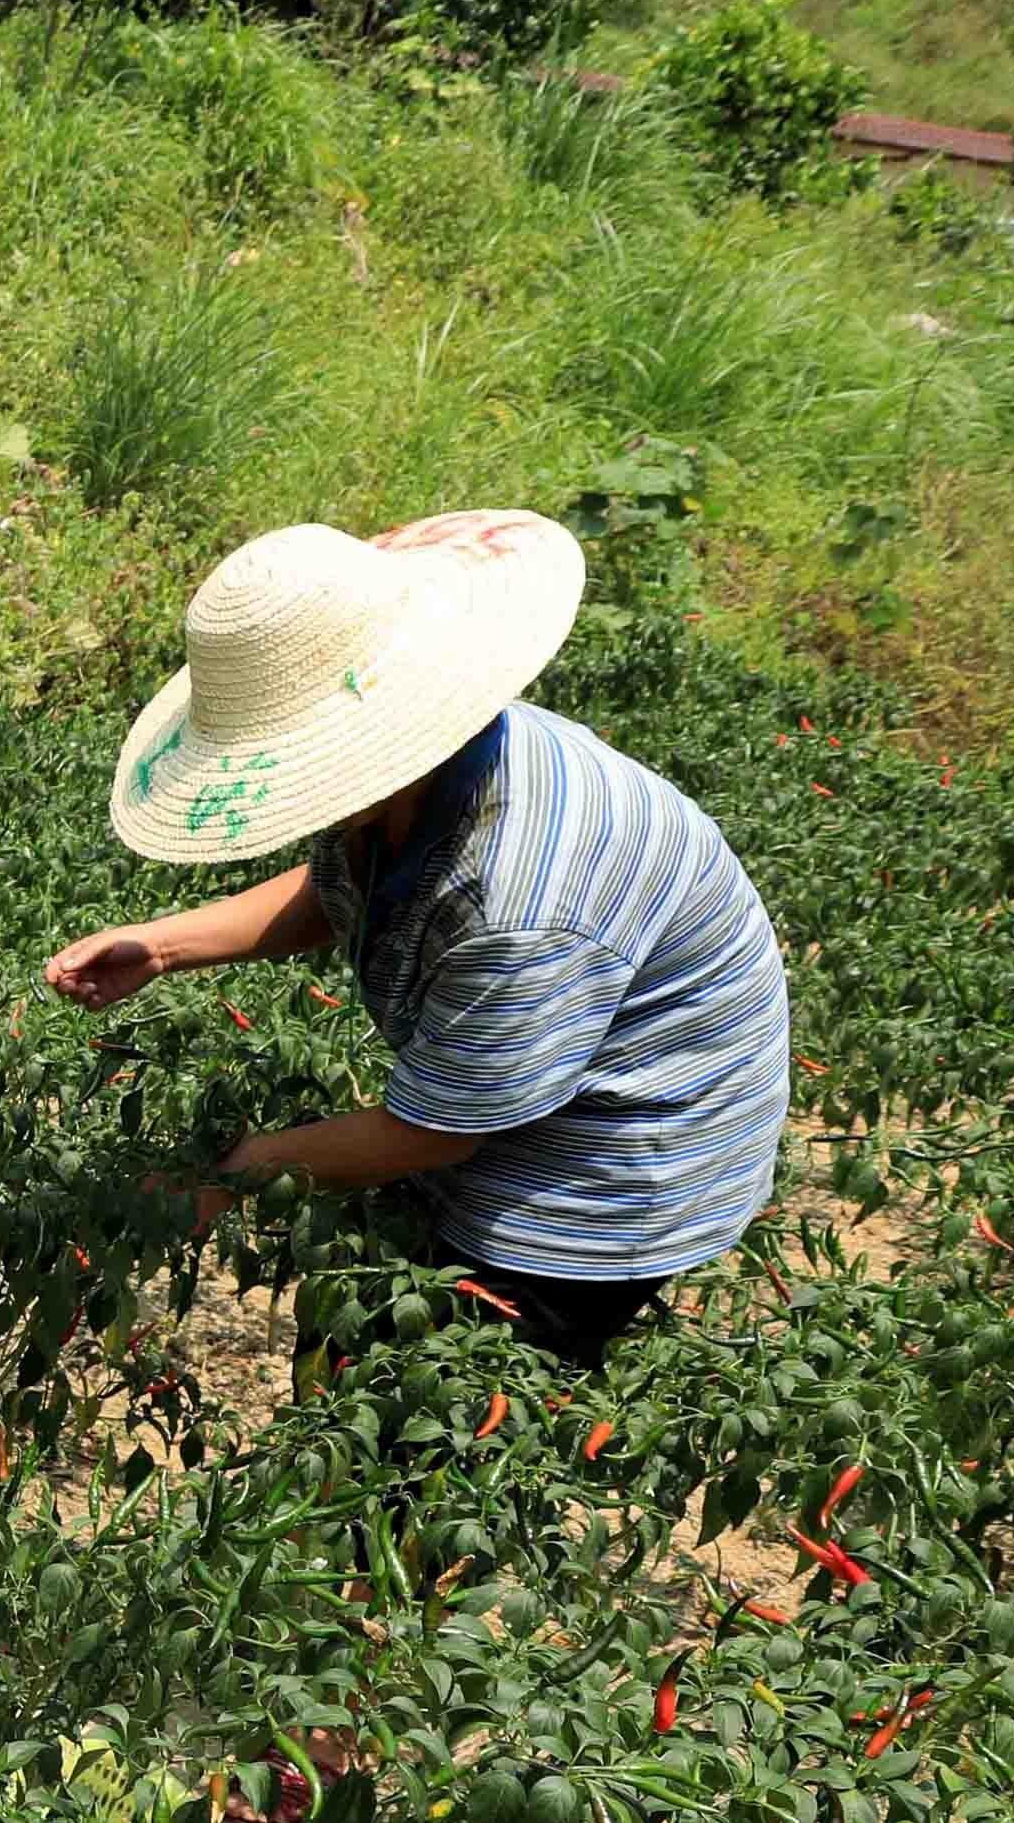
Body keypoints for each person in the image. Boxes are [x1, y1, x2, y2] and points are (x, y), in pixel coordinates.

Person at [44, 510, 790, 1373]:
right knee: (356, 1347)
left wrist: (240, 1168)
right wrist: (165, 945)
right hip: (514, 1081)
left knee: (434, 1404)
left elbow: (437, 1132)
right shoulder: (427, 766)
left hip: (612, 1162)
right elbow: (341, 885)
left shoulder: (518, 898)